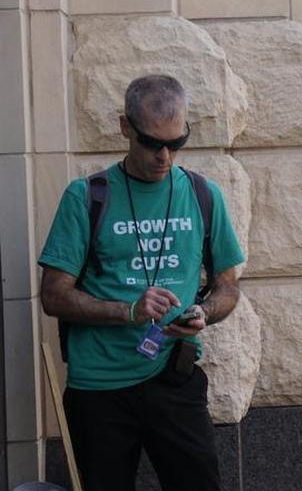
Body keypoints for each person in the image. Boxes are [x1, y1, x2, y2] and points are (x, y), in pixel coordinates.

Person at [39, 74, 244, 491]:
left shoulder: (204, 194)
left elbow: (228, 287)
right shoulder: (86, 197)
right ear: (125, 127)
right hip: (99, 388)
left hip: (176, 378)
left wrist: (202, 312)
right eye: (152, 142)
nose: (164, 156)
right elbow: (53, 296)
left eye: (176, 142)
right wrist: (129, 310)